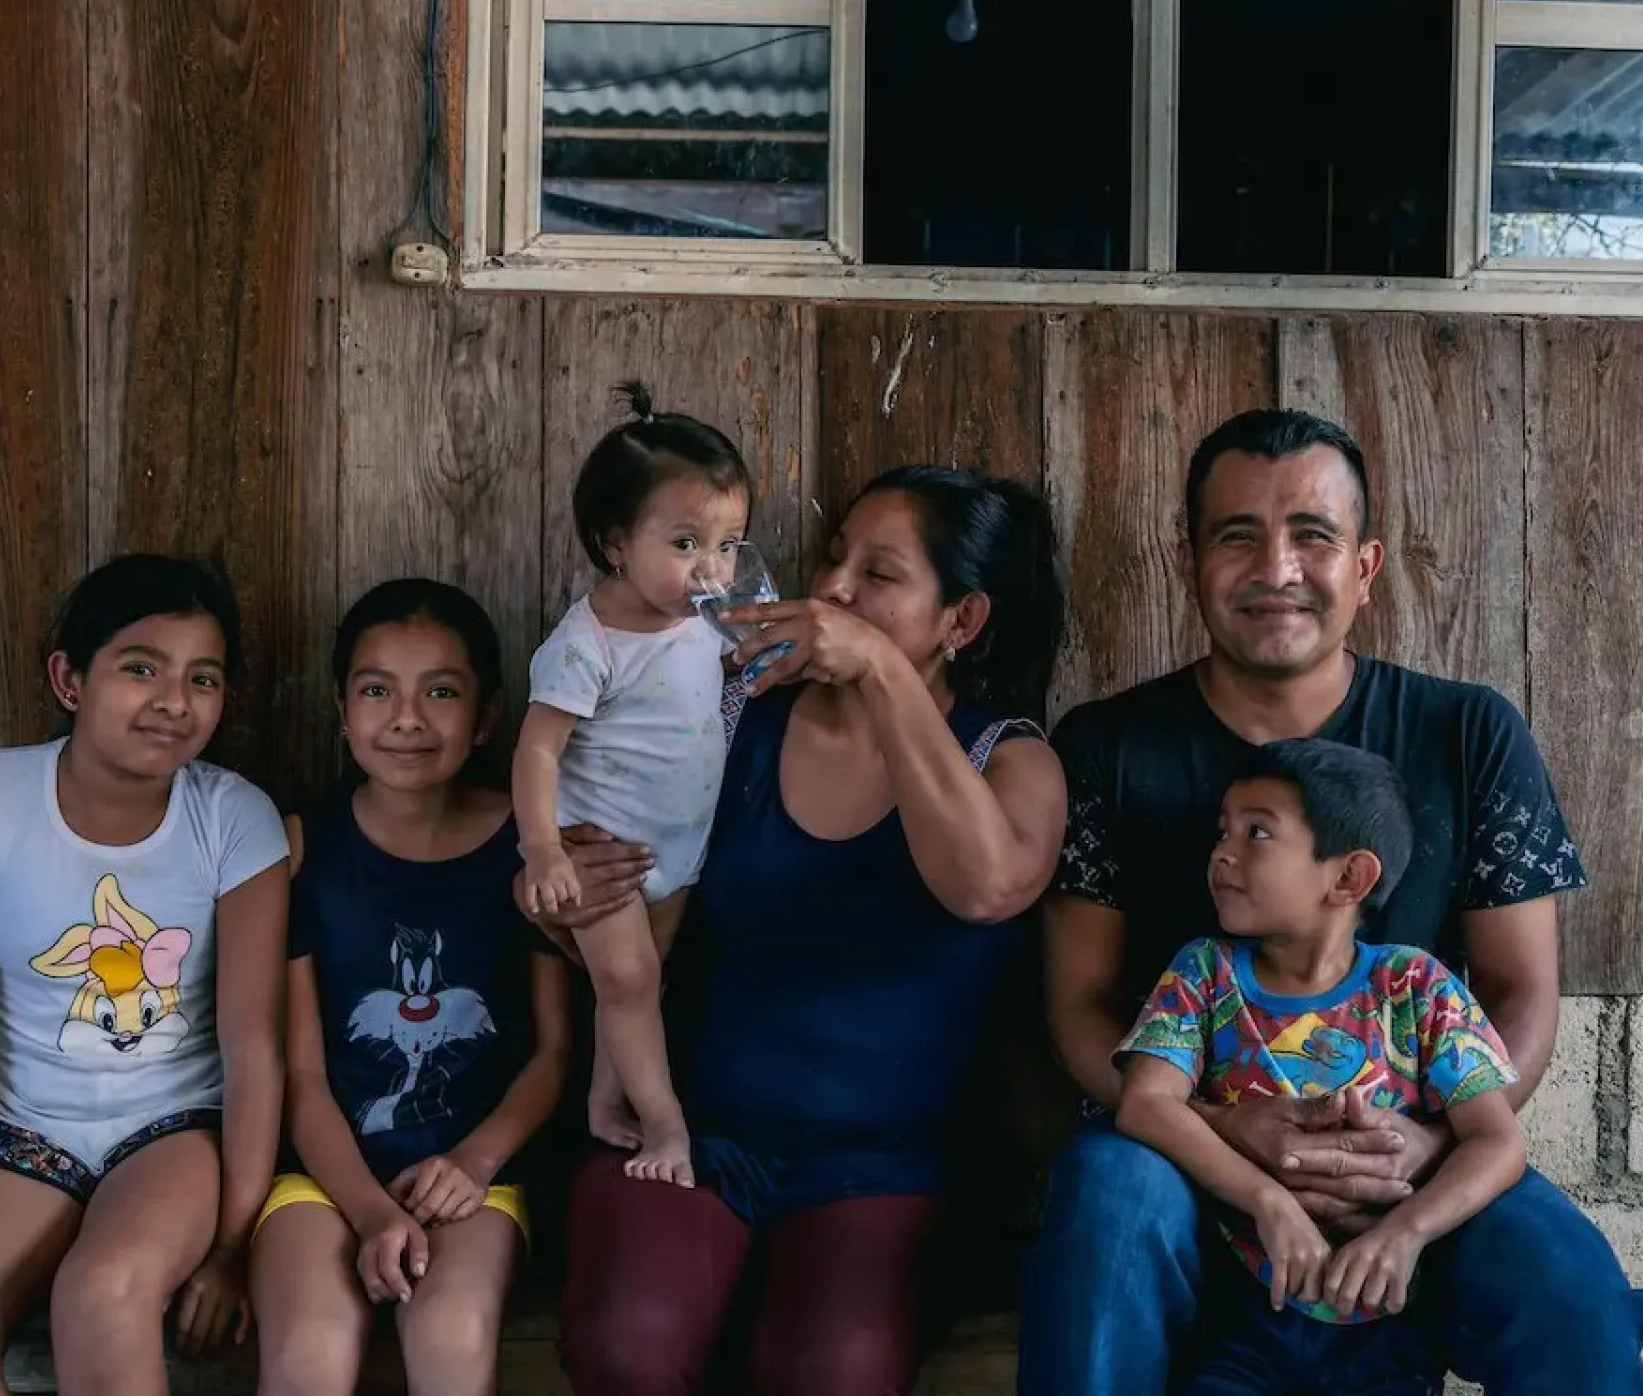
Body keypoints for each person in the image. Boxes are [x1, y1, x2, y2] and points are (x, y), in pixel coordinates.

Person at [1022, 409, 1643, 1396]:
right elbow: (1080, 1007)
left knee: (1570, 1290)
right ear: (1189, 560)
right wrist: (1232, 1128)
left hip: (1411, 1166)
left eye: (1311, 536)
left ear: (1363, 567)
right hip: (1181, 1163)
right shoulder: (1107, 746)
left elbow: (1520, 990)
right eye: (1238, 536)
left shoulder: (1467, 733)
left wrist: (1427, 1144)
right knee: (1104, 1207)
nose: (1276, 568)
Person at [536, 465, 1070, 1396]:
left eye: (880, 575)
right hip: (694, 1140)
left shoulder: (1006, 758)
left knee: (831, 1373)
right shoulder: (732, 719)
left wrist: (875, 668)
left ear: (964, 621)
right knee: (629, 1344)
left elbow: (987, 887)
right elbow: (610, 890)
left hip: (884, 1170)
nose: (832, 591)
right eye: (833, 559)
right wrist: (554, 890)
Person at [0, 553, 291, 1395]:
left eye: (203, 678)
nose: (175, 700)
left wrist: (231, 1246)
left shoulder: (233, 820)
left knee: (102, 1294)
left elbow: (252, 1045)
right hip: (27, 1137)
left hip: (175, 1132)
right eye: (141, 668)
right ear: (69, 679)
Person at [1117, 739, 1526, 1396]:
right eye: (1222, 830)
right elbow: (1145, 1102)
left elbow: (1497, 1141)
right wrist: (1269, 1201)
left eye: (1257, 833)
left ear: (1348, 879)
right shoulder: (1206, 973)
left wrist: (1405, 1233)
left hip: (1385, 1324)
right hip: (1242, 1315)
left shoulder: (1414, 986)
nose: (1222, 851)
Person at [250, 578, 571, 1396]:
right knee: (309, 1353)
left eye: (441, 692)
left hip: (479, 1176)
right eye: (376, 690)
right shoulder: (300, 851)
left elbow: (553, 1049)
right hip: (322, 1179)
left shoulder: (528, 847)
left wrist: (473, 1161)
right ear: (340, 707)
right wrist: (368, 1211)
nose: (406, 718)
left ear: (488, 715)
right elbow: (303, 1075)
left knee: (451, 1336)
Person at [512, 382, 750, 1187]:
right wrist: (543, 850)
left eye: (728, 545)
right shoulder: (587, 646)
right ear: (616, 543)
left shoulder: (703, 618)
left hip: (678, 850)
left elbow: (713, 682)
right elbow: (537, 751)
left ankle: (604, 1101)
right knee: (629, 981)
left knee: (639, 990)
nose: (711, 569)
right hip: (601, 848)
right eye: (686, 543)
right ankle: (667, 1127)